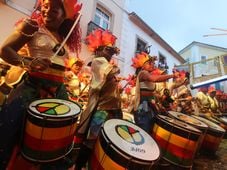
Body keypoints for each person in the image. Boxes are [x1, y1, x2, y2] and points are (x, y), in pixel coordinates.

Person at [0, 0, 82, 169]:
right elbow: (5, 50)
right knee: (9, 133)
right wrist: (28, 62)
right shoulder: (31, 26)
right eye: (45, 7)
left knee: (59, 138)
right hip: (32, 89)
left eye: (54, 10)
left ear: (64, 15)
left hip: (58, 93)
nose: (46, 12)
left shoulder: (62, 38)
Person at [74, 29, 122, 170]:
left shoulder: (106, 64)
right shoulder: (98, 61)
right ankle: (79, 166)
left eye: (112, 52)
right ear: (99, 51)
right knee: (91, 141)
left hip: (113, 110)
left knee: (104, 141)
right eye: (108, 51)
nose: (111, 55)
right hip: (101, 110)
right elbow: (112, 70)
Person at [131, 52, 179, 132]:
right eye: (149, 63)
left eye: (153, 63)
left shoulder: (148, 76)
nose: (152, 65)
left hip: (149, 104)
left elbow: (153, 93)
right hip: (143, 105)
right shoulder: (143, 73)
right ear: (143, 66)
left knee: (151, 127)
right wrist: (172, 76)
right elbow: (154, 79)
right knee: (145, 129)